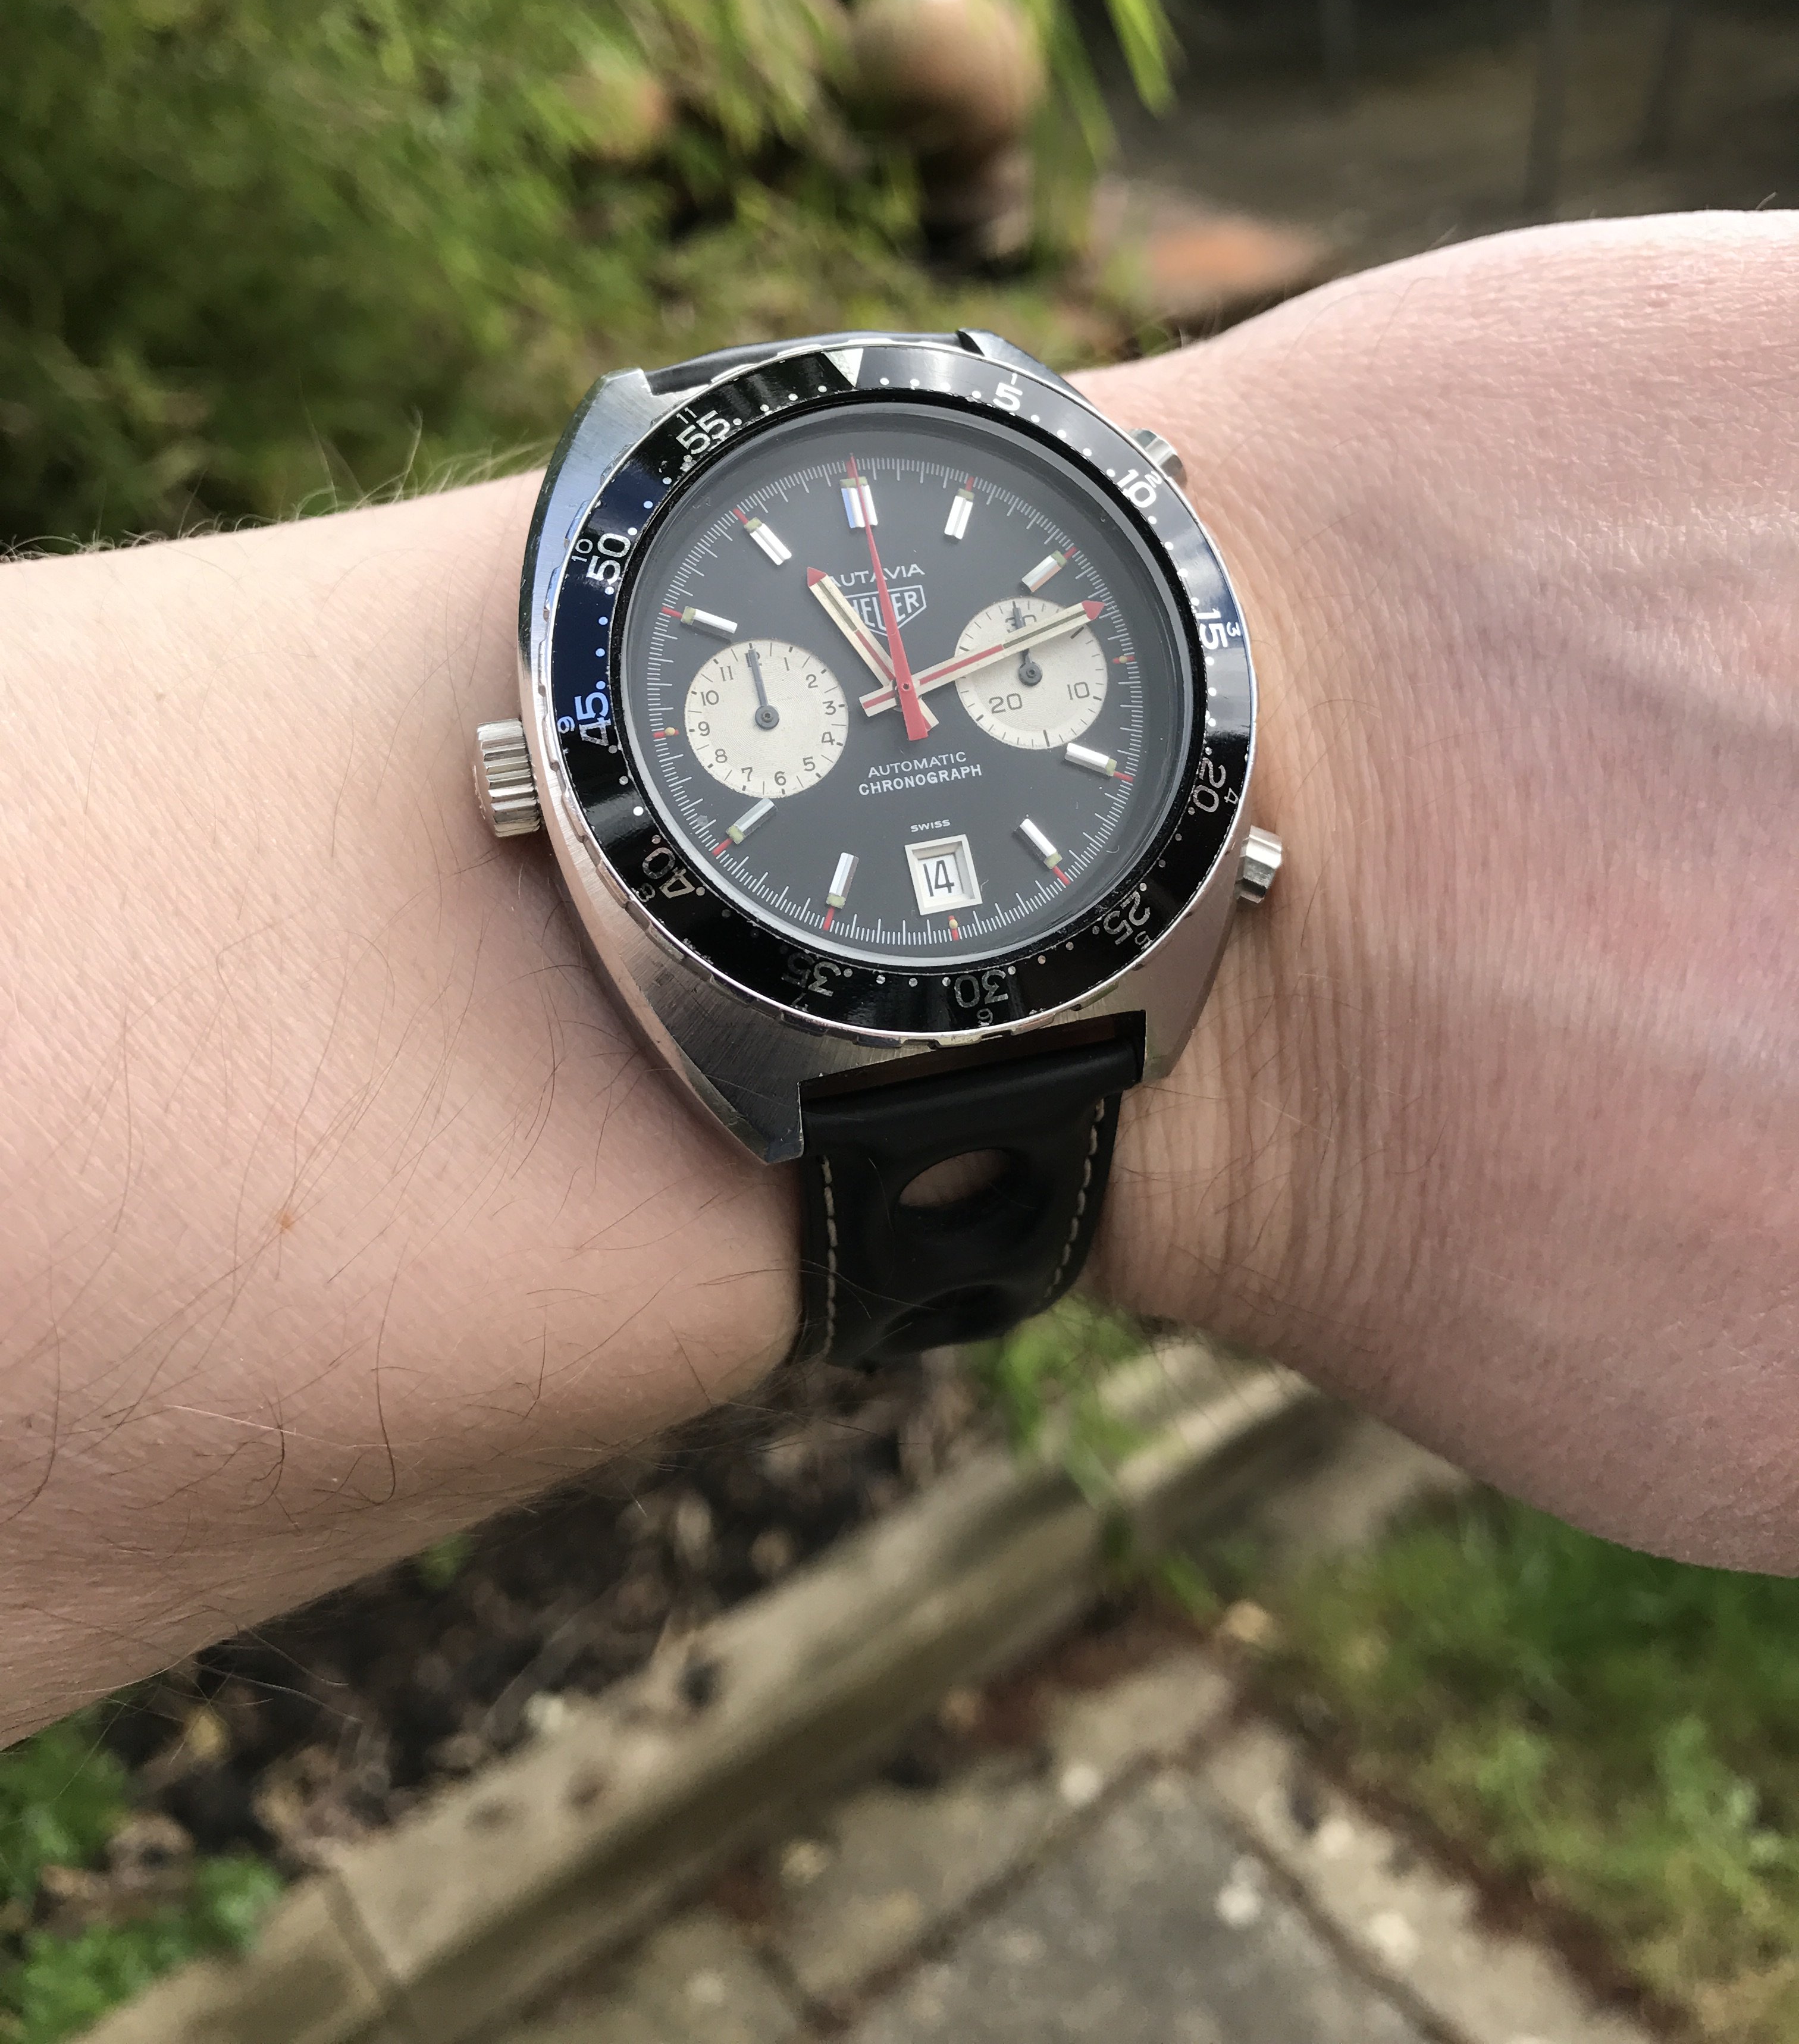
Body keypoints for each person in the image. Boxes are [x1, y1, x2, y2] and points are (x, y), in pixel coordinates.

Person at [2, 212, 1794, 1750]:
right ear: (531, 776)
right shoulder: (612, 722)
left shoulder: (1101, 690)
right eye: (840, 704)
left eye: (955, 678)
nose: (908, 712)